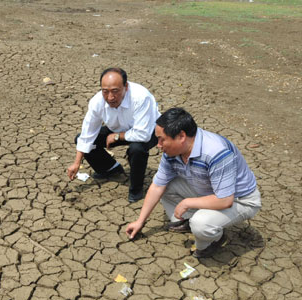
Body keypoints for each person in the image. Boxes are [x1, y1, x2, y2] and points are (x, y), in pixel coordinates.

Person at [125, 108, 261, 258]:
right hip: (209, 190)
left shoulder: (215, 152)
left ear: (181, 136)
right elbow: (157, 186)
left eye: (162, 139)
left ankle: (216, 239)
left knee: (201, 224)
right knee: (166, 186)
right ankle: (190, 221)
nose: (158, 144)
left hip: (239, 199)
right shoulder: (171, 152)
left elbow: (225, 200)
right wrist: (140, 221)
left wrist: (187, 203)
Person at [67, 67, 160, 202]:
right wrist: (76, 163)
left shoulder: (141, 97)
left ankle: (136, 189)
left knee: (136, 149)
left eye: (115, 91)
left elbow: (143, 134)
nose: (110, 97)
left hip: (148, 130)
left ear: (126, 87)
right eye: (105, 92)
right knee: (82, 138)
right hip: (119, 129)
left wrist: (118, 136)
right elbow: (87, 133)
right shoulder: (97, 101)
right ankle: (110, 169)